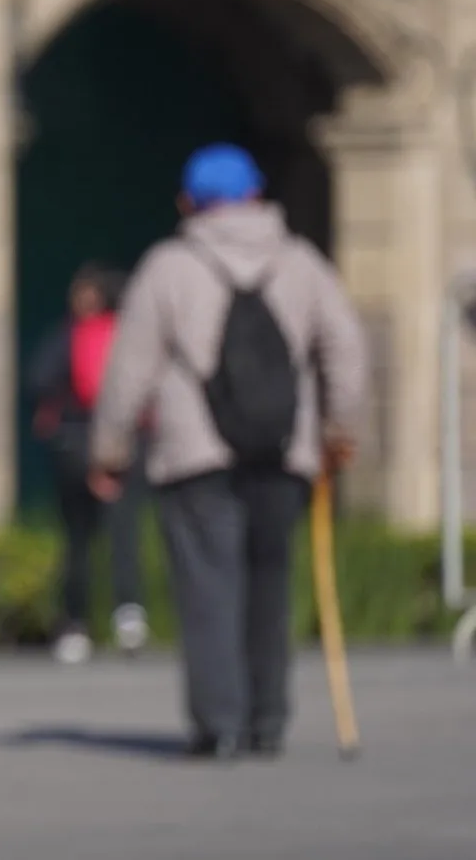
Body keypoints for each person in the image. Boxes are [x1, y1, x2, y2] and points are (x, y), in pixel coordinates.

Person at [88, 142, 368, 760]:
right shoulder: (302, 263)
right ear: (258, 194)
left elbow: (129, 368)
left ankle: (219, 726)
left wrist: (109, 450)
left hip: (195, 457)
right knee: (271, 584)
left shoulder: (168, 265)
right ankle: (267, 720)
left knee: (208, 587)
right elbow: (345, 349)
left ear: (189, 202)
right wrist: (339, 434)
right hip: (283, 452)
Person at [26, 262, 148, 664]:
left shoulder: (69, 335)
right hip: (124, 446)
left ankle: (76, 624)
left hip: (75, 444)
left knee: (77, 540)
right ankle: (128, 615)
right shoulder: (129, 336)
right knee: (123, 534)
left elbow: (39, 379)